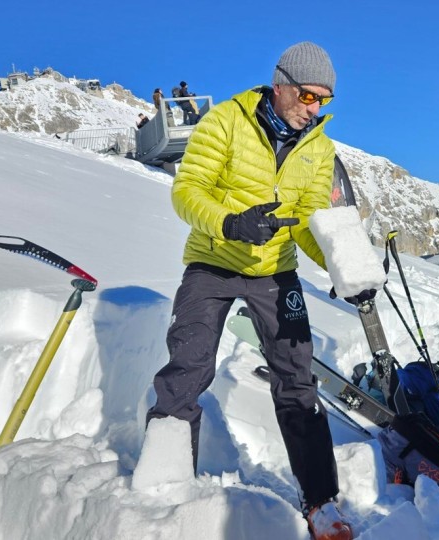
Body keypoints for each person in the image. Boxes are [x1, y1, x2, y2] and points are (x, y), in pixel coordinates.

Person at [145, 41, 356, 540]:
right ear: (280, 84)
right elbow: (187, 191)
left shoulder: (319, 146)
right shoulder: (225, 121)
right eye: (307, 96)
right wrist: (231, 223)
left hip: (275, 269)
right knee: (188, 367)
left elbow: (307, 222)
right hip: (213, 262)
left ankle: (321, 501)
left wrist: (343, 266)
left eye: (323, 100)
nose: (314, 109)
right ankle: (163, 487)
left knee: (297, 379)